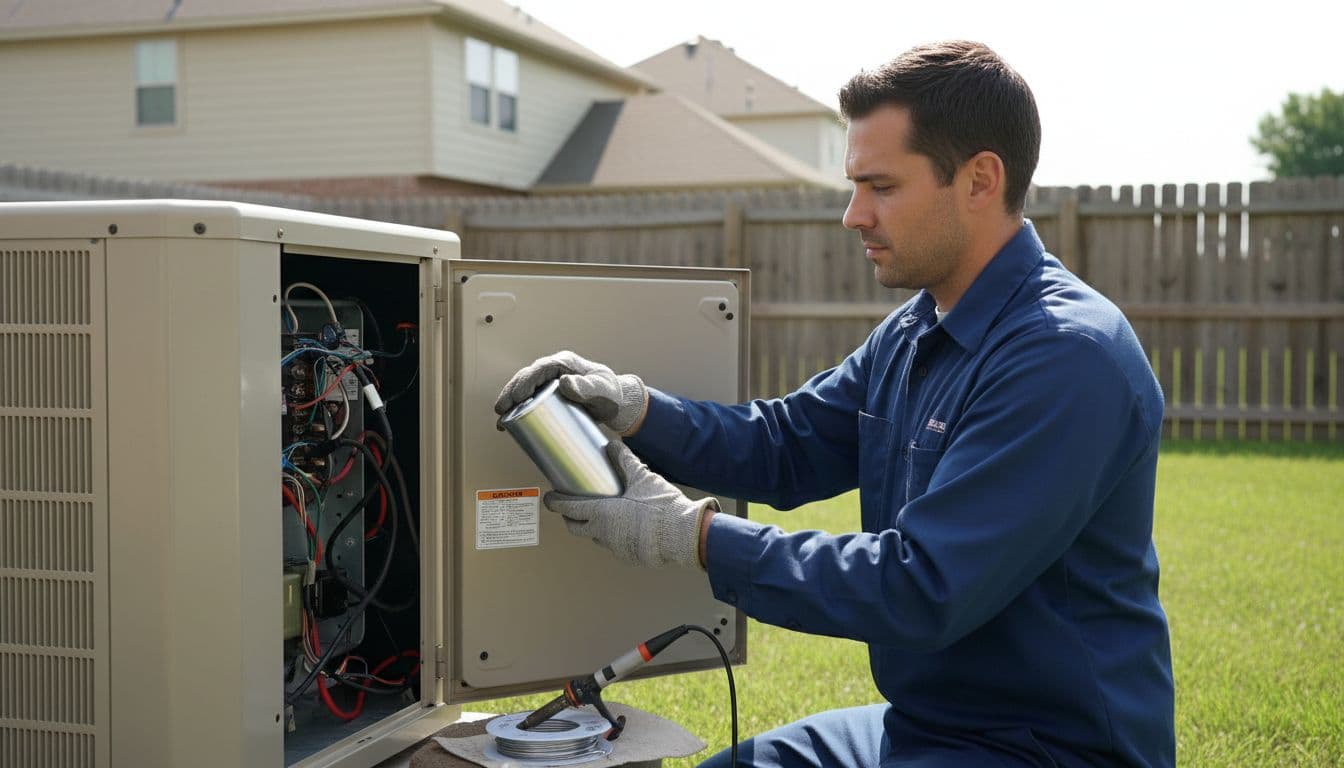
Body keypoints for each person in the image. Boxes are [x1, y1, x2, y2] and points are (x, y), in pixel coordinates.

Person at [495, 40, 1174, 768]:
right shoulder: (920, 328)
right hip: (923, 726)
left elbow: (922, 586)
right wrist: (636, 410)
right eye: (854, 185)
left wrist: (690, 535)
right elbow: (786, 444)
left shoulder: (1066, 357)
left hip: (1043, 747)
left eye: (881, 186)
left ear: (979, 181)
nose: (854, 215)